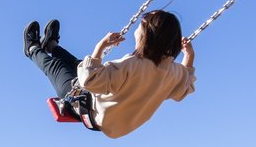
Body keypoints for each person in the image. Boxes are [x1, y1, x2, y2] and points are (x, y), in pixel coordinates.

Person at [24, 11, 195, 139]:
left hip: (86, 107)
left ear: (145, 35)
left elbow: (88, 81)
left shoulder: (132, 65)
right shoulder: (172, 72)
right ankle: (52, 46)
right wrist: (189, 56)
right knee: (78, 64)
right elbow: (183, 87)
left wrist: (101, 46)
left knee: (56, 66)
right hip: (115, 122)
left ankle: (32, 48)